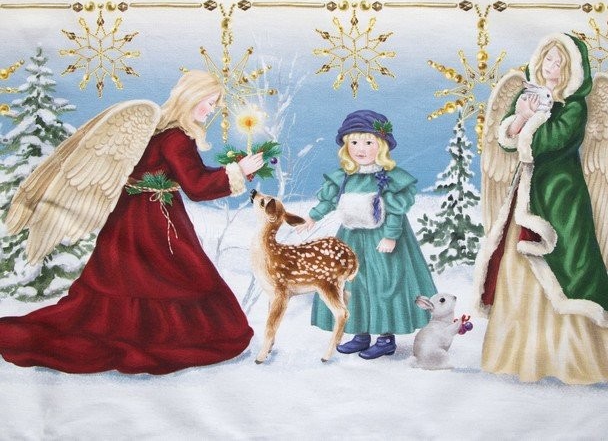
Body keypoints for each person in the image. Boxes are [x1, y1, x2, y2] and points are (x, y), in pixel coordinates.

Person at [0, 70, 263, 374]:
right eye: (209, 102)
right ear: (192, 97)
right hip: (155, 223)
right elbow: (196, 186)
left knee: (129, 279)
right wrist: (238, 171)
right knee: (179, 277)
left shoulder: (156, 130)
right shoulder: (177, 137)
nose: (211, 110)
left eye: (215, 104)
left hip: (130, 218)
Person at [474, 33, 608, 384]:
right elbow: (507, 143)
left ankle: (572, 357)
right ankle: (520, 355)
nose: (552, 67)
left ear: (571, 69)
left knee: (567, 264)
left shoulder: (575, 106)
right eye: (548, 59)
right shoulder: (527, 94)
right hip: (525, 194)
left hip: (560, 196)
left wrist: (528, 121)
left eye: (560, 63)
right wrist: (520, 116)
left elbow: (550, 141)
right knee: (517, 267)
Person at [300, 110, 436, 359]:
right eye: (354, 142)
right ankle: (360, 333)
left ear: (381, 145)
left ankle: (385, 337)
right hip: (351, 238)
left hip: (381, 239)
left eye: (368, 142)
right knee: (354, 282)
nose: (360, 149)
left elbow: (395, 210)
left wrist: (391, 236)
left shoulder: (388, 178)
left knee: (384, 283)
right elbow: (328, 200)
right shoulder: (344, 177)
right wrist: (312, 217)